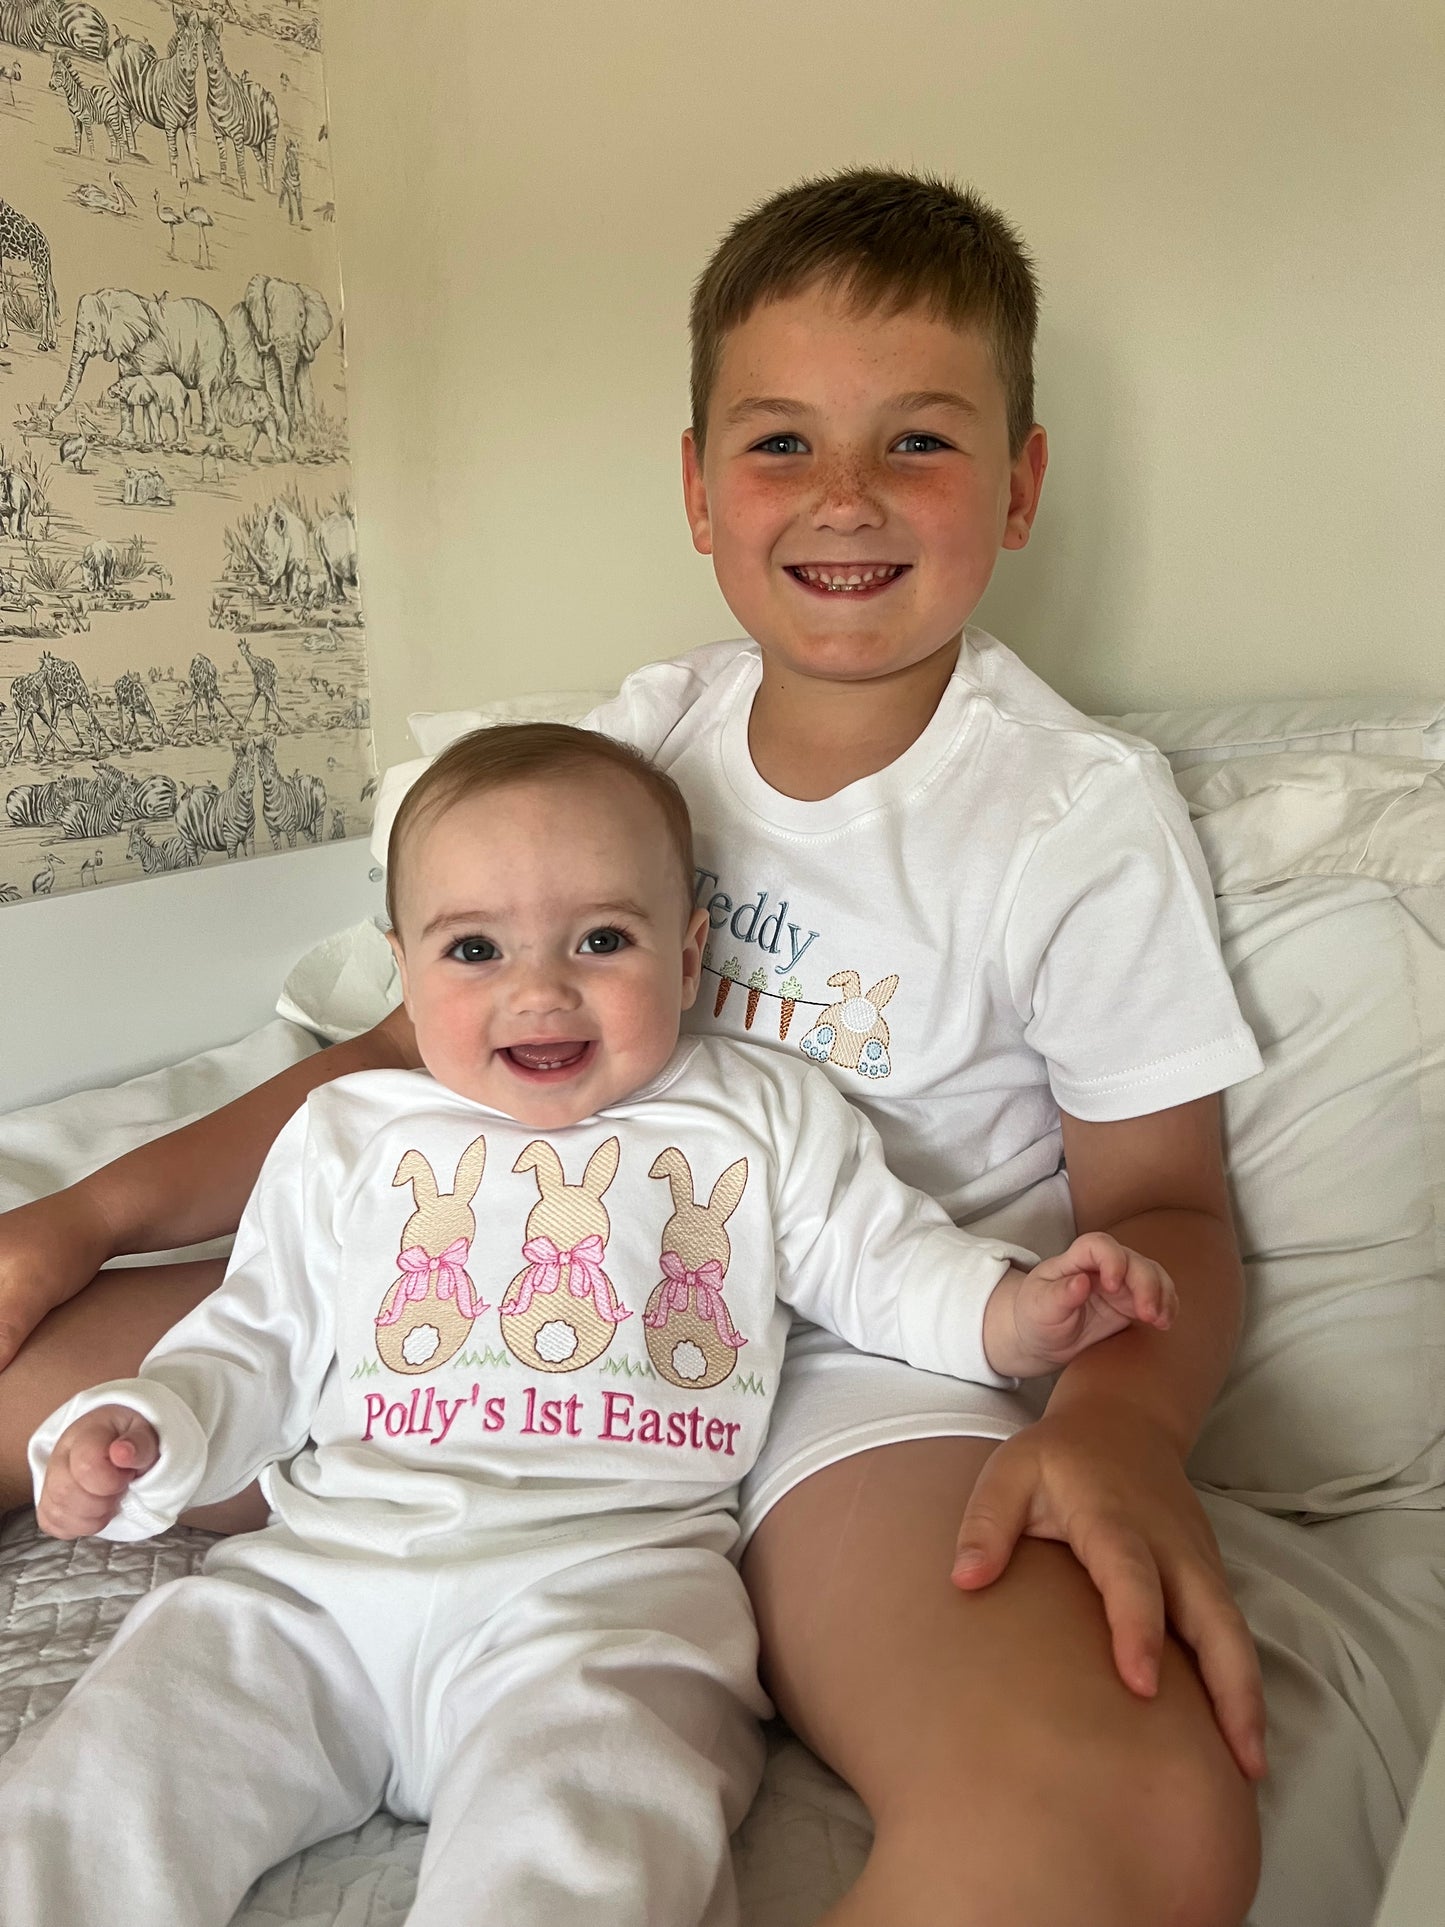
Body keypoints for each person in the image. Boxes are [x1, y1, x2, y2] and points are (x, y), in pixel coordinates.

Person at [0, 169, 1267, 1925]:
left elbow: (1170, 1204)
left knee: (1123, 1816)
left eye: (918, 443)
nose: (844, 498)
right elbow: (398, 1055)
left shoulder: (1067, 812)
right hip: (534, 1261)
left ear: (1020, 482)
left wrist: (1121, 1423)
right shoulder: (649, 737)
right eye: (778, 446)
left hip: (861, 1351)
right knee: (42, 1370)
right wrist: (70, 1222)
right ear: (694, 486)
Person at [0, 725, 1176, 1926]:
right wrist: (155, 1423)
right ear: (402, 968)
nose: (538, 990)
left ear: (686, 958)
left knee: (585, 1839)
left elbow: (881, 1264)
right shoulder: (351, 1134)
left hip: (605, 1597)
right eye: (474, 949)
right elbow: (257, 1334)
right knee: (105, 1773)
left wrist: (1011, 1313)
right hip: (324, 1586)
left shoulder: (753, 1114)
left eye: (601, 940)